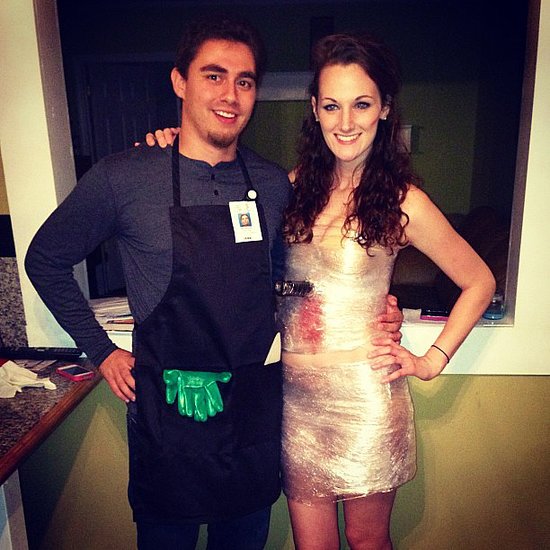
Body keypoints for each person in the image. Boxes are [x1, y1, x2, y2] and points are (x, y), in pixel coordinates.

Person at [24, 14, 403, 550]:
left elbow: (292, 278)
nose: (230, 94)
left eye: (244, 81)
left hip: (249, 422)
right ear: (180, 82)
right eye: (213, 75)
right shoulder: (125, 177)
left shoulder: (273, 184)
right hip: (168, 426)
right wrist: (100, 350)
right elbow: (45, 259)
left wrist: (375, 306)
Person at [275, 33, 496, 549]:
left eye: (361, 104)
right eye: (332, 105)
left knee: (367, 541)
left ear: (385, 109)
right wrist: (170, 144)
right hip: (295, 398)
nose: (345, 122)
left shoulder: (403, 201)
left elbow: (479, 281)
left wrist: (431, 360)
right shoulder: (289, 187)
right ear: (315, 109)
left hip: (366, 395)